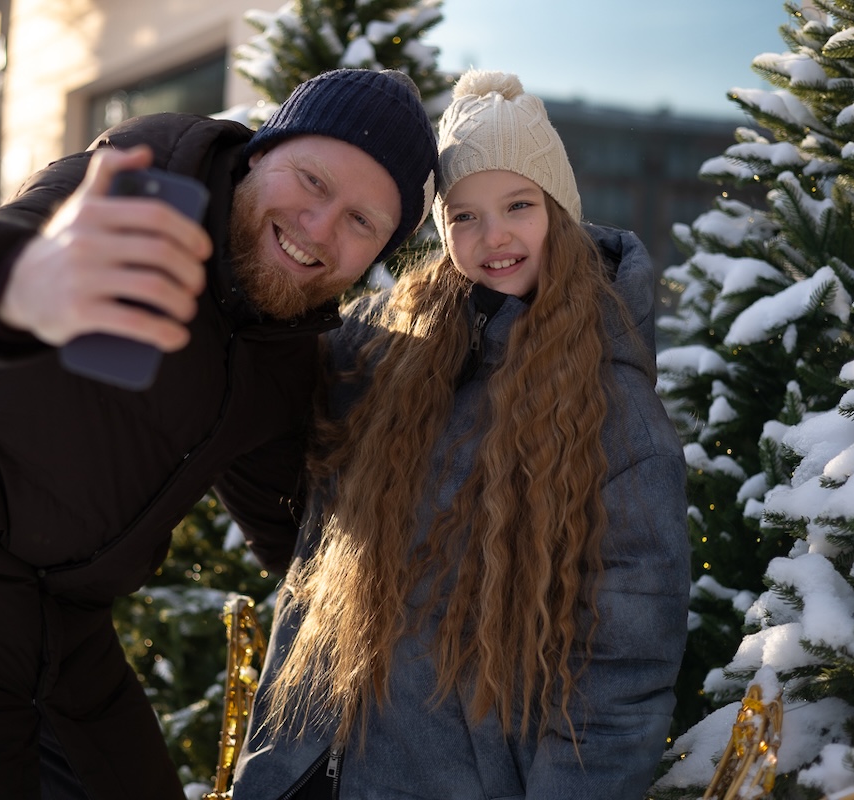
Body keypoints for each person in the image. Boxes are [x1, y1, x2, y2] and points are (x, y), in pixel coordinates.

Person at [0, 68, 436, 800]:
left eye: (362, 222)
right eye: (313, 181)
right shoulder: (140, 194)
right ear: (262, 151)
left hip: (49, 614)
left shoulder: (282, 347)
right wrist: (20, 285)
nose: (319, 227)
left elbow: (295, 527)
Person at [233, 70, 691, 799]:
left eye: (519, 205)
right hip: (300, 769)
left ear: (560, 213)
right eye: (465, 215)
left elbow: (622, 681)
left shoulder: (617, 414)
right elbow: (271, 350)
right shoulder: (390, 351)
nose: (494, 236)